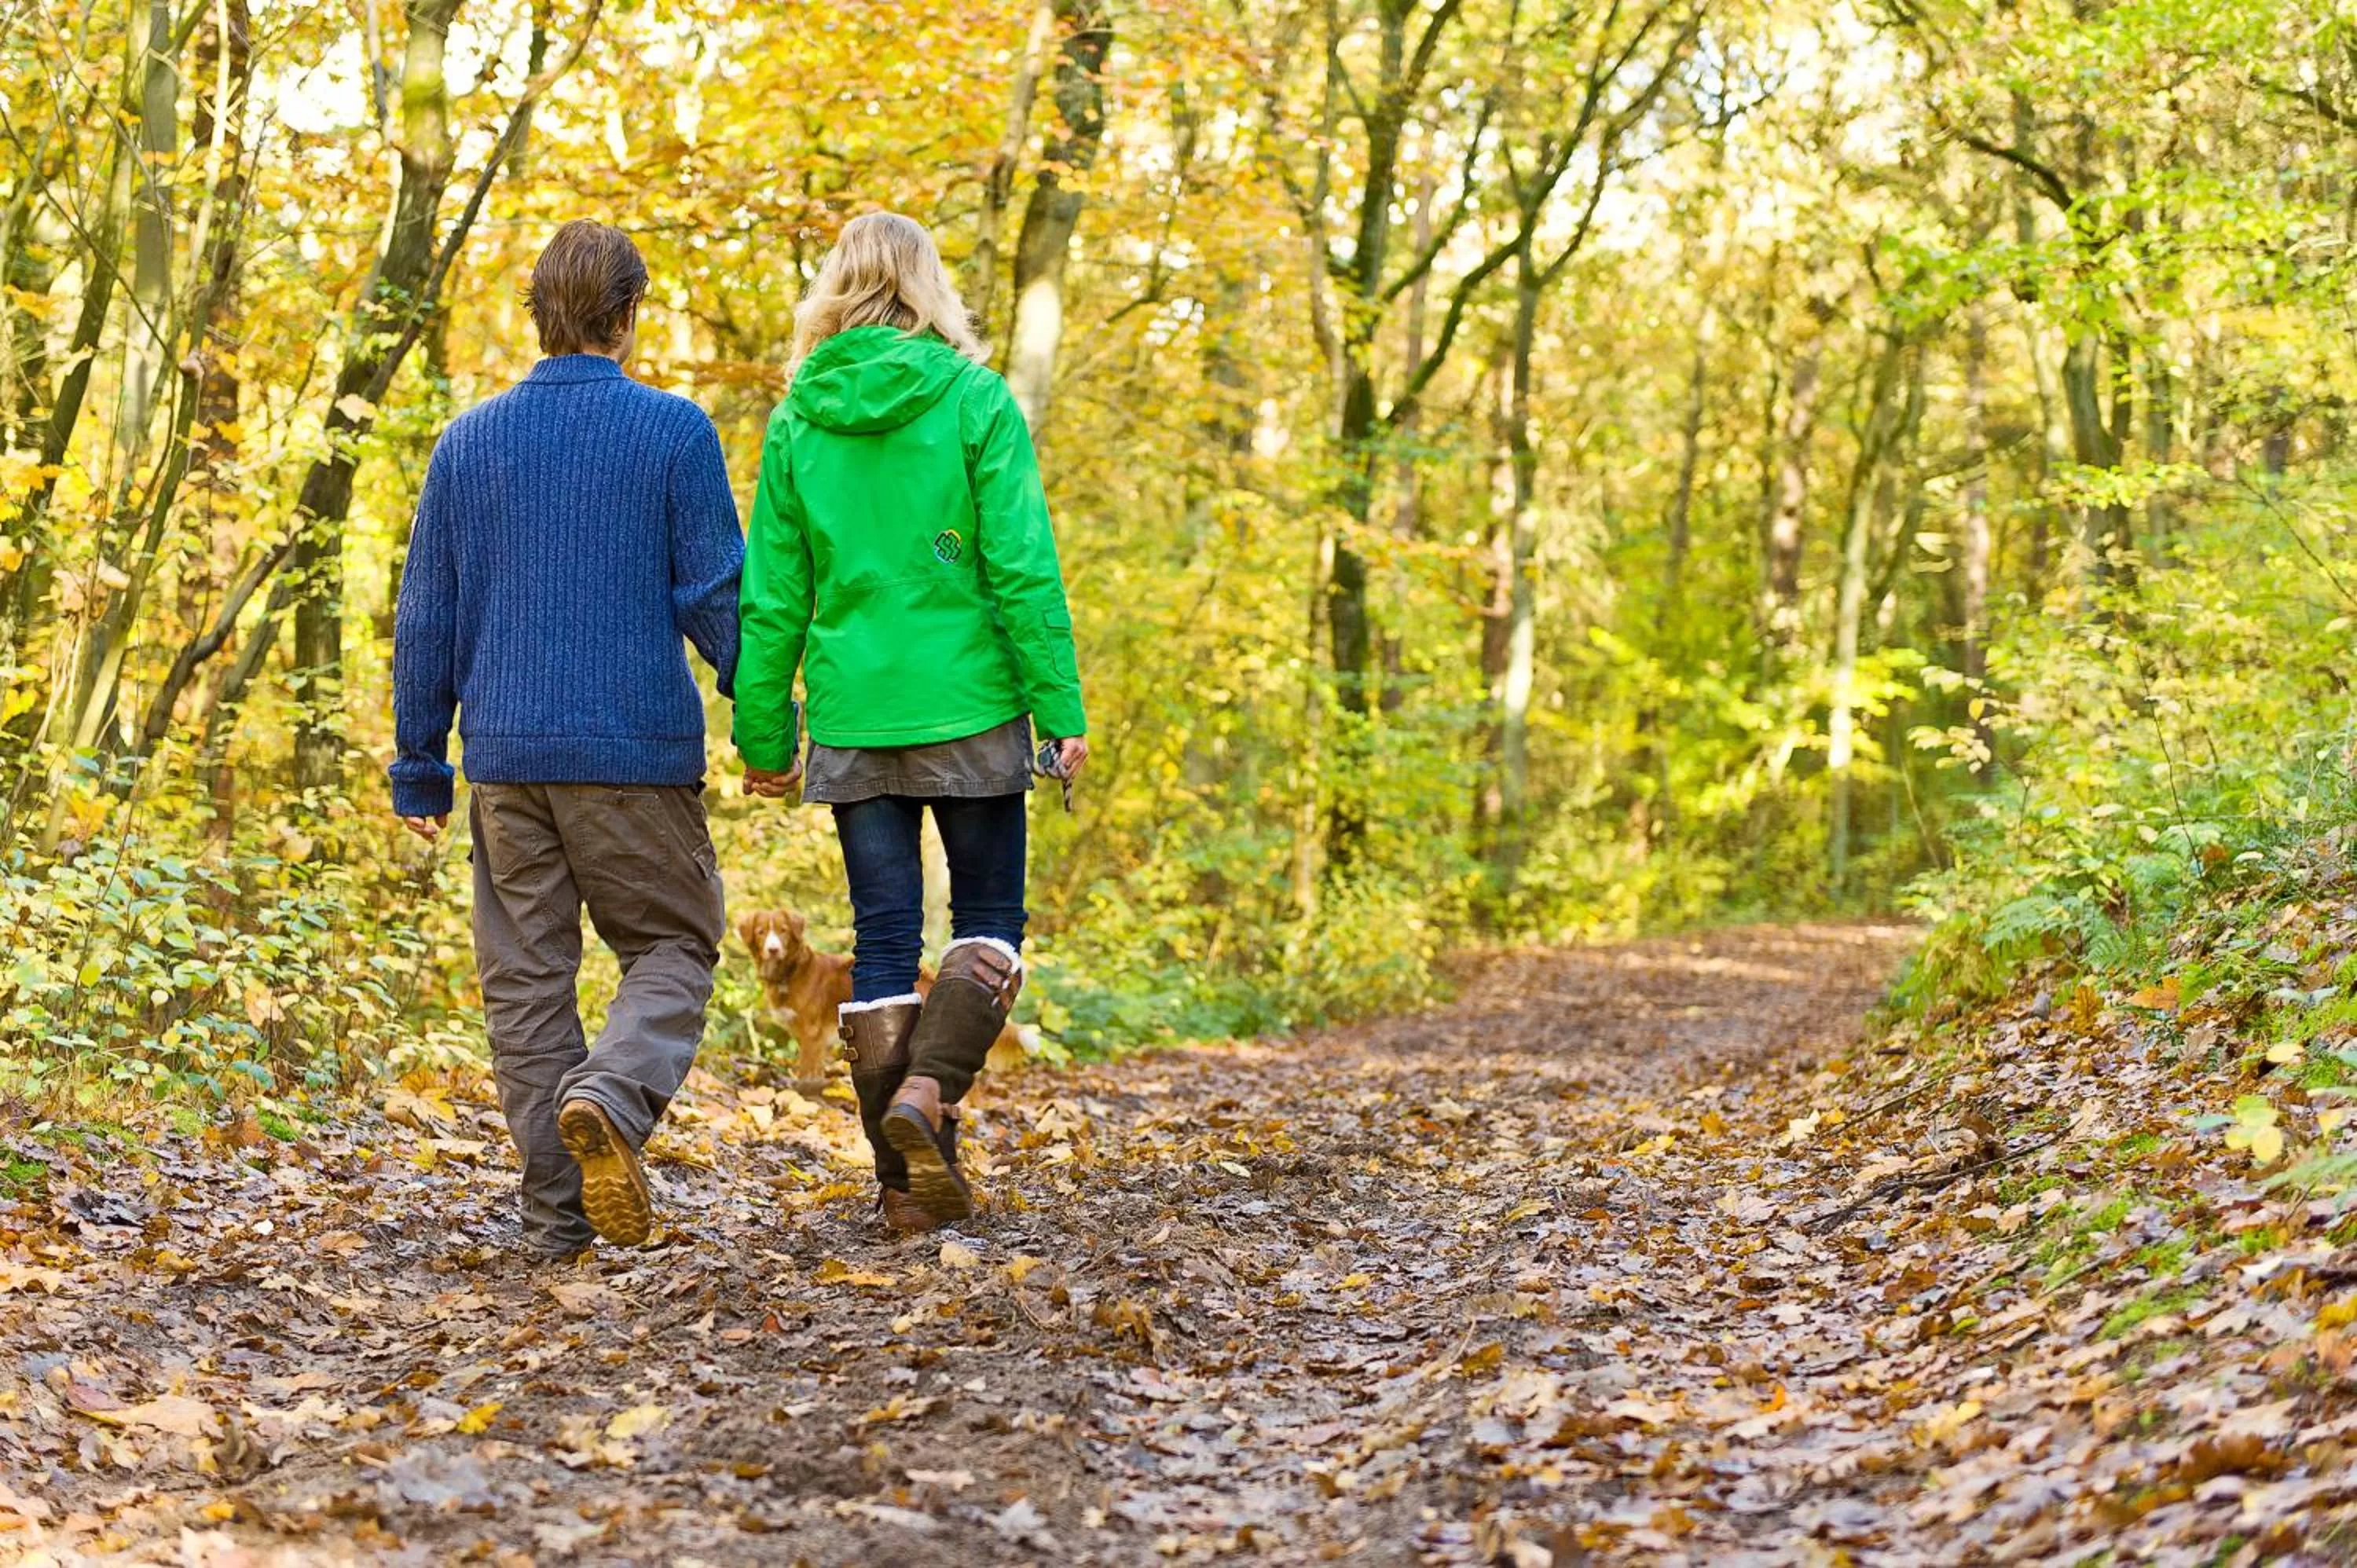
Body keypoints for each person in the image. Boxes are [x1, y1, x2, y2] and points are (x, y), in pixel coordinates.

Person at [390, 219, 743, 1258]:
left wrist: (421, 766)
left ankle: (558, 1218)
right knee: (673, 944)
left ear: (538, 314)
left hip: (507, 762)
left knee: (527, 984)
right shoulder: (674, 433)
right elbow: (716, 597)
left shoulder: (468, 443)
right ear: (628, 316)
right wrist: (769, 714)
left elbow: (426, 617)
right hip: (635, 756)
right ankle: (612, 1099)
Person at [734, 211, 1087, 1236]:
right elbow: (1021, 568)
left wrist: (765, 737)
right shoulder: (977, 400)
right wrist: (1059, 707)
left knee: (884, 942)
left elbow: (773, 597)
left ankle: (899, 1191)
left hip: (856, 713)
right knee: (989, 924)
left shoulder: (800, 420)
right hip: (972, 702)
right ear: (929, 288)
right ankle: (929, 1096)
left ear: (836, 290)